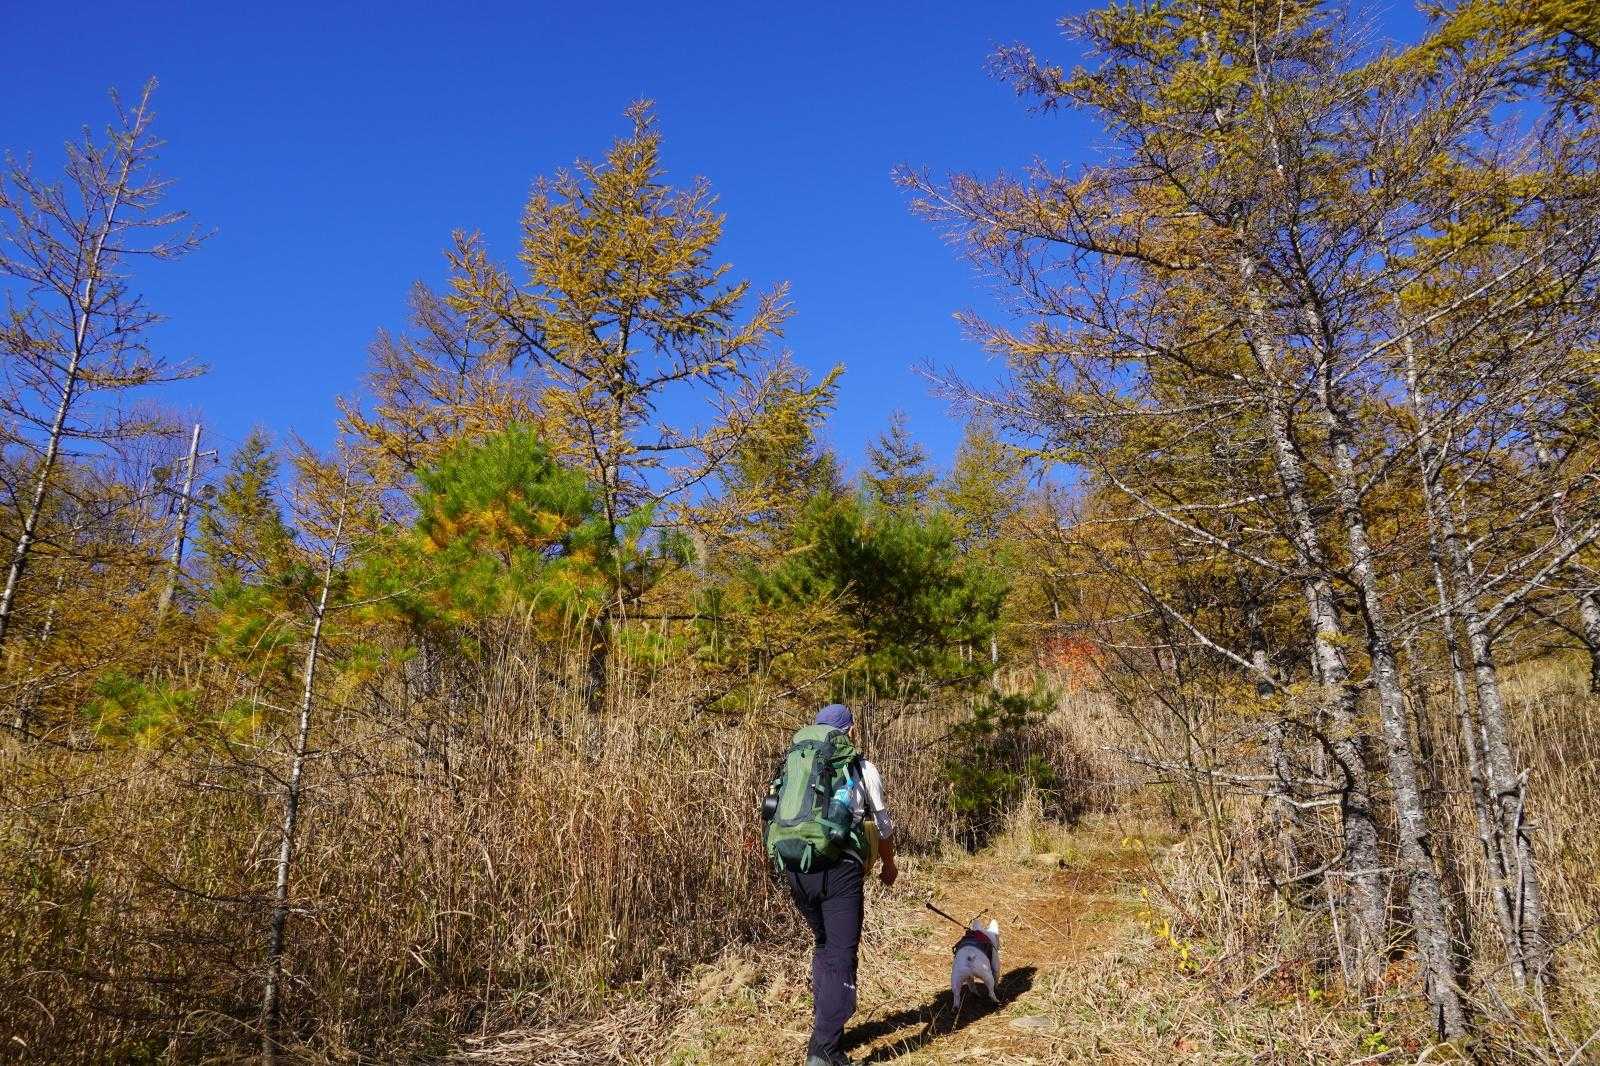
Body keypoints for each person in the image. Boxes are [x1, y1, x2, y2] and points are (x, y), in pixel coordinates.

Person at [785, 702, 896, 1066]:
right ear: (850, 731)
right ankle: (825, 1050)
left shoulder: (798, 765)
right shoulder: (861, 768)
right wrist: (889, 864)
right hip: (840, 872)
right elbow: (883, 826)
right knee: (841, 954)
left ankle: (826, 1028)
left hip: (797, 866)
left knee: (824, 944)